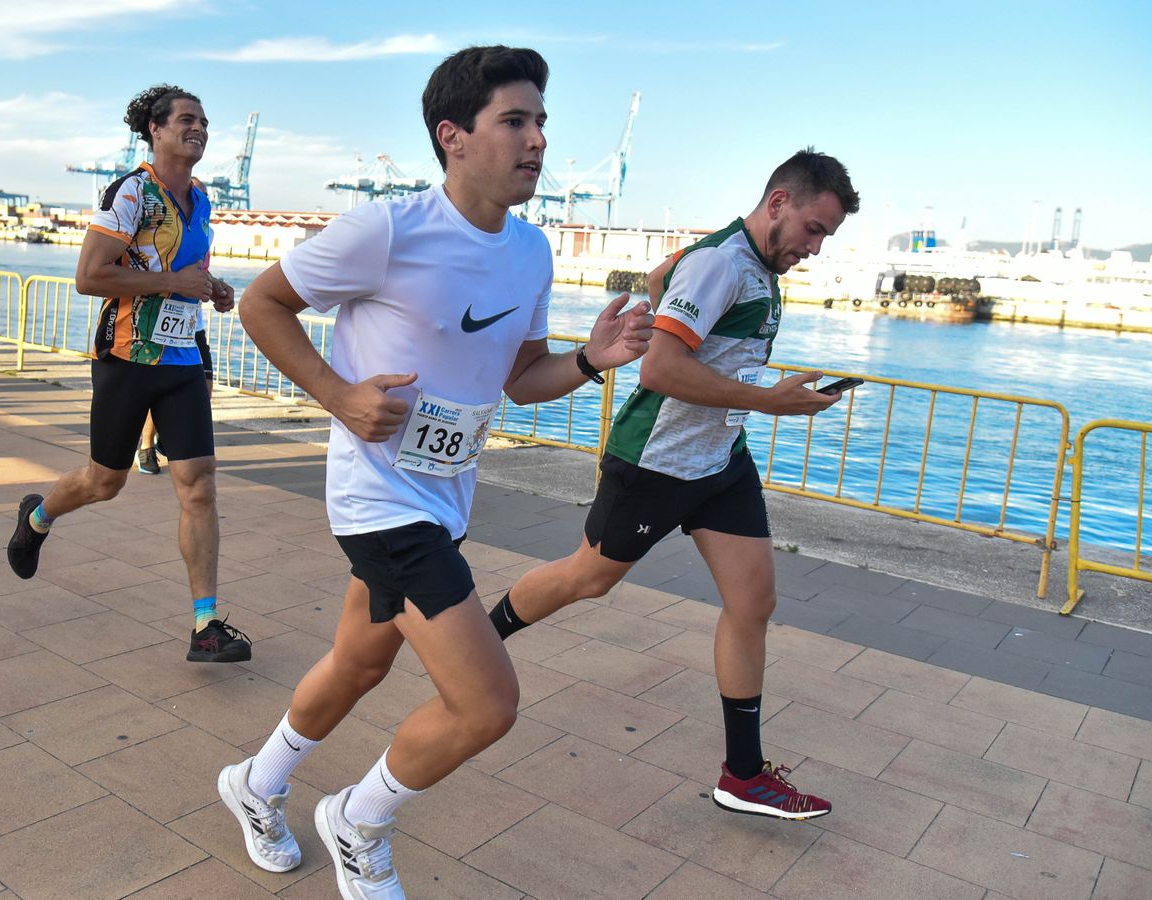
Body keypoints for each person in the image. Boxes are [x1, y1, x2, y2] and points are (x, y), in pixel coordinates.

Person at [218, 46, 653, 899]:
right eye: (515, 122)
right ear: (453, 136)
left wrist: (591, 360)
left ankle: (257, 783)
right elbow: (261, 303)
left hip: (444, 499)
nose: (536, 142)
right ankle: (359, 817)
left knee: (358, 665)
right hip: (378, 501)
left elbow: (520, 381)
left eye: (541, 124)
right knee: (486, 703)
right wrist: (339, 395)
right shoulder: (387, 229)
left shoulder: (530, 253)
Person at [487, 148, 861, 822]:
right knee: (587, 578)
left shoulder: (743, 261)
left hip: (719, 462)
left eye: (826, 236)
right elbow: (659, 370)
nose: (815, 246)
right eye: (813, 228)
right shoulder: (723, 262)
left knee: (753, 601)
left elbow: (662, 279)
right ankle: (478, 642)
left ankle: (743, 776)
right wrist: (768, 399)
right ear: (779, 201)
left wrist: (677, 314)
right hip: (656, 460)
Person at [4, 84, 249, 662]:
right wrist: (172, 282)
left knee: (199, 483)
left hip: (183, 357)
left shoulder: (203, 200)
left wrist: (209, 289)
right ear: (156, 130)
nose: (200, 128)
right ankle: (37, 517)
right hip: (126, 358)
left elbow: (184, 271)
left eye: (205, 120)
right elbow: (90, 276)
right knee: (104, 481)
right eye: (187, 119)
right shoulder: (131, 192)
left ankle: (205, 625)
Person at [137, 327, 213, 474]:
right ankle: (147, 447)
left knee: (205, 390)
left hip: (193, 330)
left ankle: (165, 433)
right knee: (157, 391)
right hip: (163, 332)